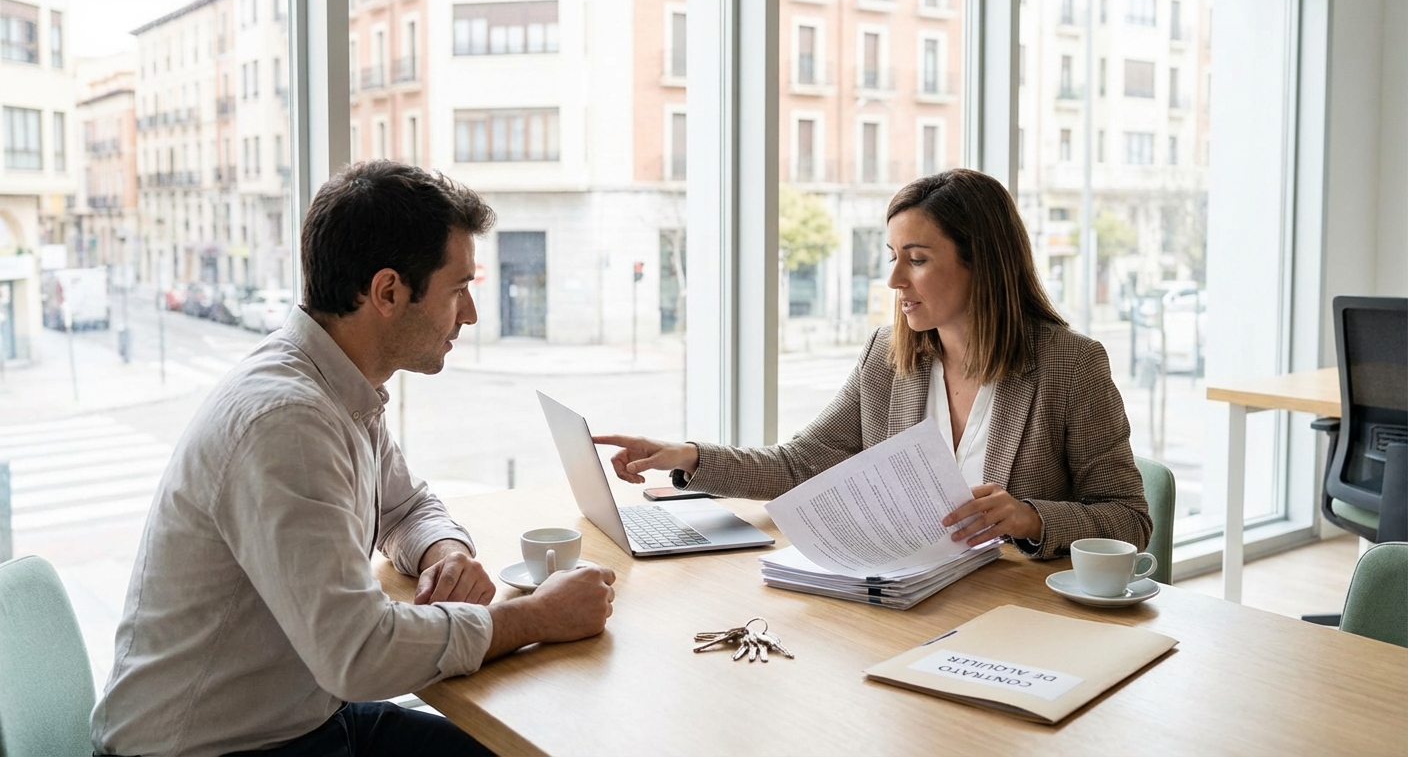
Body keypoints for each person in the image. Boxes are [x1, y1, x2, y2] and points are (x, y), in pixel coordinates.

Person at [92, 160, 617, 757]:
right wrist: (535, 619)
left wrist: (445, 551)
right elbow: (359, 654)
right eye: (458, 288)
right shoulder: (287, 421)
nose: (469, 314)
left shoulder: (333, 383)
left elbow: (406, 505)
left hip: (300, 720)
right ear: (388, 291)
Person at [596, 168, 1150, 560]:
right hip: (907, 593)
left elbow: (1130, 518)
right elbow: (804, 463)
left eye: (918, 259)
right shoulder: (890, 356)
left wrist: (1033, 517)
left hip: (1016, 617)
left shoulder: (1070, 366)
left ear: (984, 262)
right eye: (893, 257)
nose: (894, 280)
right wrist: (690, 457)